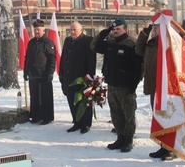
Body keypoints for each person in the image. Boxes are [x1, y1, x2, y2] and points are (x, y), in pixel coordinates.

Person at [92, 18, 143, 153]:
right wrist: (105, 32)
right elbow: (94, 46)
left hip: (126, 86)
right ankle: (120, 137)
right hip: (112, 84)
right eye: (113, 29)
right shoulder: (110, 43)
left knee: (128, 114)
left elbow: (139, 67)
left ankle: (128, 140)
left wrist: (134, 84)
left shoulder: (131, 44)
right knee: (116, 113)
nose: (115, 32)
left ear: (125, 29)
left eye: (117, 29)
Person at [135, 23, 177, 161]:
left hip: (166, 88)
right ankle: (163, 146)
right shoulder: (151, 43)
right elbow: (138, 50)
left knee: (168, 118)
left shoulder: (169, 42)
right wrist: (144, 32)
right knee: (159, 118)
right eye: (153, 27)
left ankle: (172, 149)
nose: (154, 30)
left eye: (156, 28)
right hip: (154, 86)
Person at [59, 21, 96, 134]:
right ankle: (77, 122)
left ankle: (85, 124)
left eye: (74, 30)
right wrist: (62, 74)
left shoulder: (87, 40)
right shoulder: (68, 40)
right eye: (71, 30)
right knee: (72, 100)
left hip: (82, 78)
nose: (72, 32)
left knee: (84, 102)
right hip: (69, 77)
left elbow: (91, 61)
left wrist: (90, 77)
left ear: (81, 30)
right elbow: (63, 58)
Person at [24, 19, 56, 125]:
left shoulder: (48, 42)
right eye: (35, 30)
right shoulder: (31, 42)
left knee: (45, 97)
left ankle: (47, 117)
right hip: (33, 74)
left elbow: (52, 59)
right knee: (35, 96)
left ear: (43, 30)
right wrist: (25, 71)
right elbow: (27, 58)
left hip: (44, 74)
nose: (36, 32)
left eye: (38, 30)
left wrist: (50, 72)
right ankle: (36, 116)